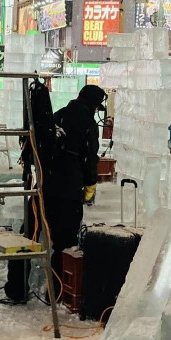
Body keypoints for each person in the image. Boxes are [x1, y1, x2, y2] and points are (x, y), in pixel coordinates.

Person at [44, 84, 106, 283]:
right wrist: (90, 187)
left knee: (41, 236)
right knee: (66, 242)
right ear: (92, 105)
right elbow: (89, 159)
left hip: (47, 185)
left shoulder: (59, 115)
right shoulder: (88, 123)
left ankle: (21, 287)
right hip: (68, 190)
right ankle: (57, 289)